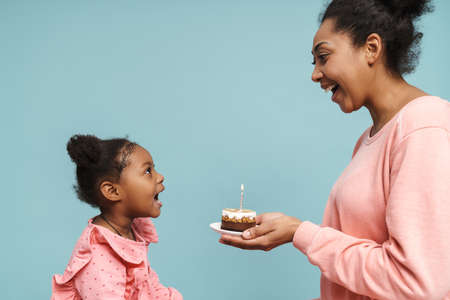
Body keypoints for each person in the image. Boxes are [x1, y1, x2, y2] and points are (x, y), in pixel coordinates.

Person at [219, 0, 450, 299]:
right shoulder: (370, 139)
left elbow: (418, 284)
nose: (315, 74)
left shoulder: (425, 127)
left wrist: (301, 233)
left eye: (324, 57)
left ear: (371, 48)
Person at [51, 134, 182, 300]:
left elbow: (150, 287)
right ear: (112, 191)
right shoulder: (96, 258)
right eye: (148, 171)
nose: (160, 176)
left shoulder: (127, 233)